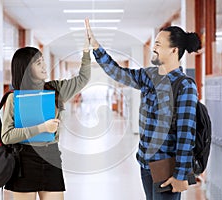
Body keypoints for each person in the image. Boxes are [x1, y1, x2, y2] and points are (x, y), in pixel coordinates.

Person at [85, 19, 200, 200]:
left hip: (166, 166)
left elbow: (186, 134)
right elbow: (118, 73)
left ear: (174, 50)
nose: (153, 48)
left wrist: (180, 175)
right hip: (146, 163)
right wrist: (97, 47)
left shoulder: (185, 85)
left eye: (158, 44)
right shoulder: (149, 76)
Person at [1, 34, 91, 200]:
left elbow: (83, 79)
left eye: (43, 61)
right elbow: (7, 136)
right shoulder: (14, 98)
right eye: (38, 63)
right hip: (23, 161)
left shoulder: (55, 89)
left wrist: (86, 52)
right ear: (27, 68)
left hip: (51, 158)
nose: (44, 66)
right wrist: (42, 128)